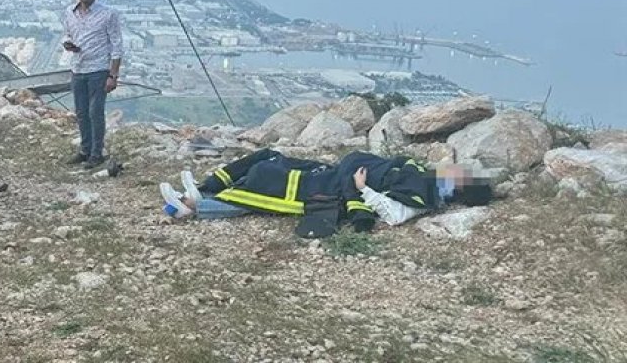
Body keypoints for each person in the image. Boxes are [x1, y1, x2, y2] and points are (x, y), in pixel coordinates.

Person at [158, 150, 493, 234]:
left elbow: (393, 215)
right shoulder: (420, 173)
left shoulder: (424, 198)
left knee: (269, 190)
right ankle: (206, 187)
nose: (455, 169)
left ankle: (194, 206)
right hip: (336, 173)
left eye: (460, 175)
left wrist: (362, 189)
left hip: (335, 189)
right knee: (269, 159)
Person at [61, 0, 124, 168]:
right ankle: (85, 150)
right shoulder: (69, 12)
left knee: (95, 112)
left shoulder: (108, 14)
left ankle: (97, 153)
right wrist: (67, 43)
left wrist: (113, 75)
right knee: (81, 113)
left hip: (98, 69)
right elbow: (67, 33)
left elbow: (117, 45)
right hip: (78, 68)